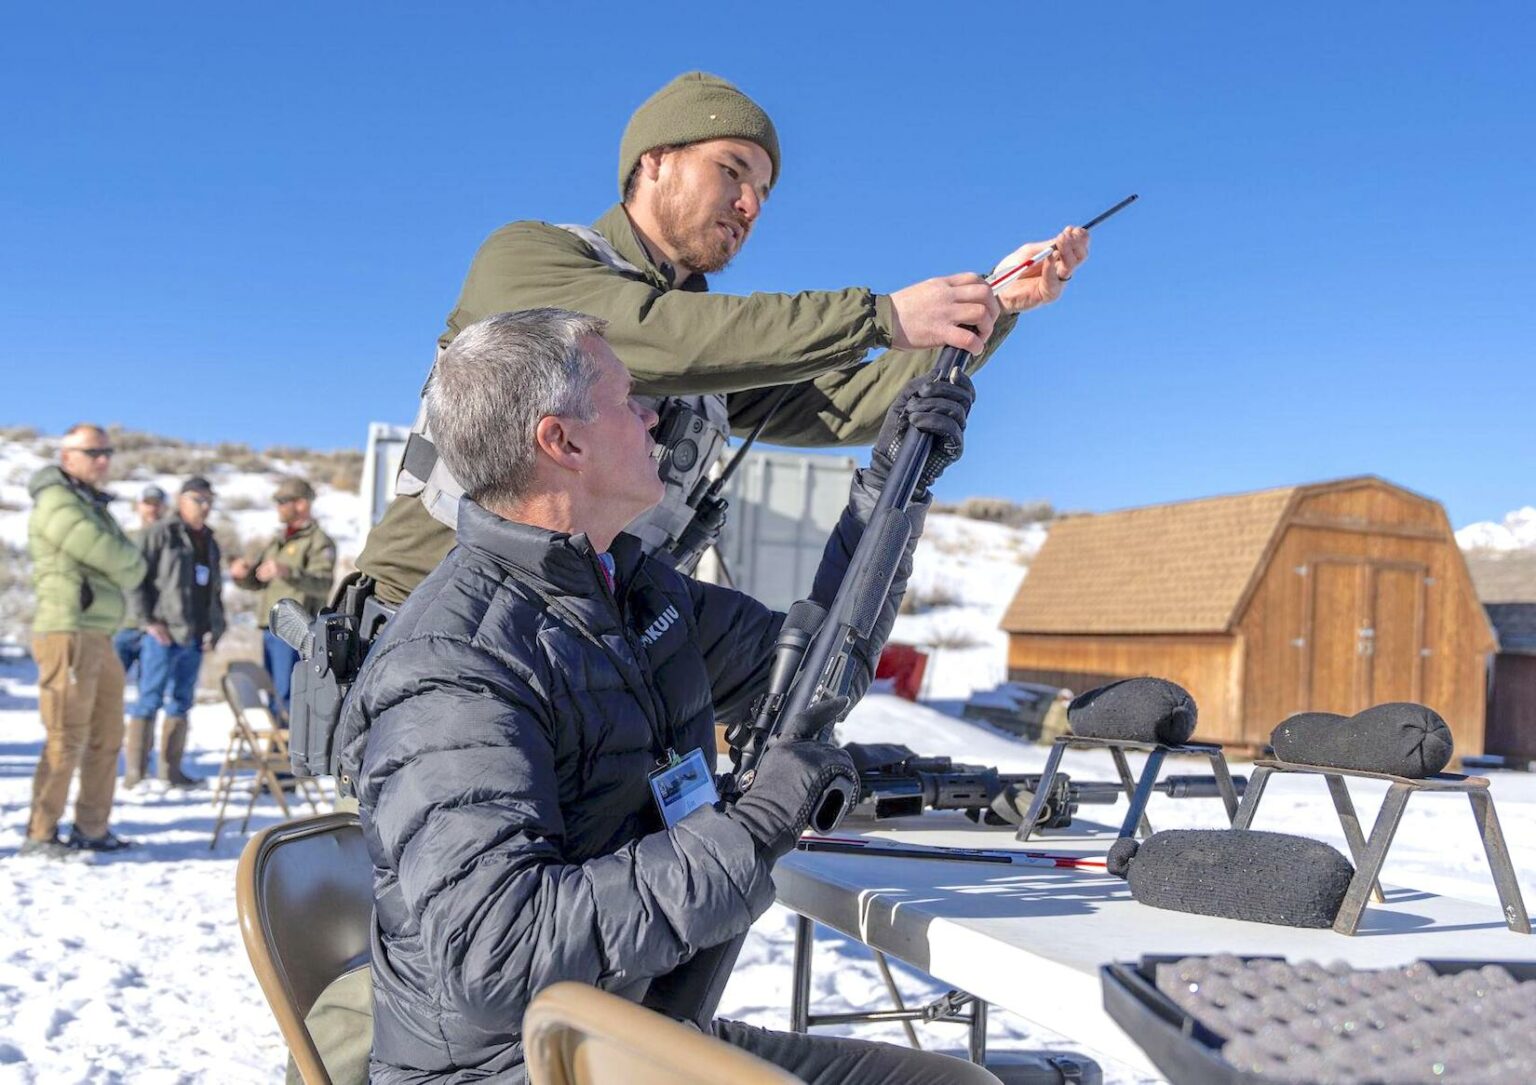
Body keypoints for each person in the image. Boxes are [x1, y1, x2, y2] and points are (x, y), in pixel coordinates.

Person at [337, 309, 1005, 1084]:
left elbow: (817, 672)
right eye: (629, 400)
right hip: (520, 1065)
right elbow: (501, 952)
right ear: (563, 442)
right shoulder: (454, 662)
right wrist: (751, 825)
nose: (654, 419)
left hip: (630, 1028)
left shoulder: (633, 592)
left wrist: (889, 492)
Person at [357, 70, 1088, 606]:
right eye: (732, 171)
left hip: (576, 653)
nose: (749, 204)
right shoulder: (527, 258)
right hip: (422, 624)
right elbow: (646, 335)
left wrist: (993, 305)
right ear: (654, 161)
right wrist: (878, 316)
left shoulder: (715, 358)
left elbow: (847, 405)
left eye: (763, 191)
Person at [23, 424, 146, 857]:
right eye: (93, 452)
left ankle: (92, 827)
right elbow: (119, 559)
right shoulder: (56, 501)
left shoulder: (90, 503)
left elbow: (130, 562)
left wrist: (127, 562)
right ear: (67, 456)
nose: (103, 460)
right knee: (67, 735)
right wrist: (126, 562)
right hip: (68, 629)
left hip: (98, 633)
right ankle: (40, 833)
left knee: (107, 735)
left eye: (107, 452)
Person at [125, 476, 225, 788]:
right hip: (162, 633)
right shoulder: (160, 533)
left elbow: (214, 590)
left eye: (209, 500)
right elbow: (133, 579)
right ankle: (135, 773)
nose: (204, 506)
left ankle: (171, 770)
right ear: (181, 500)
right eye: (198, 499)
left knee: (182, 701)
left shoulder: (209, 540)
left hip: (195, 635)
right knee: (149, 699)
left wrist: (216, 628)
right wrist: (148, 620)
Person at [230, 477, 337, 714]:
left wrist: (288, 572)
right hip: (270, 628)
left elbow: (323, 584)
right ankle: (277, 736)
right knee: (273, 693)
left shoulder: (318, 542)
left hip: (296, 631)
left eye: (282, 502)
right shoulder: (277, 541)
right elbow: (258, 580)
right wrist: (242, 575)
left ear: (301, 504)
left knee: (290, 693)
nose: (278, 507)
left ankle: (289, 737)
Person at [112, 484, 166, 679]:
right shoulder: (124, 539)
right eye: (147, 503)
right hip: (124, 625)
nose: (152, 509)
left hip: (158, 628)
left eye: (157, 504)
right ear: (138, 506)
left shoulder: (173, 543)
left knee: (151, 689)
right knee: (109, 685)